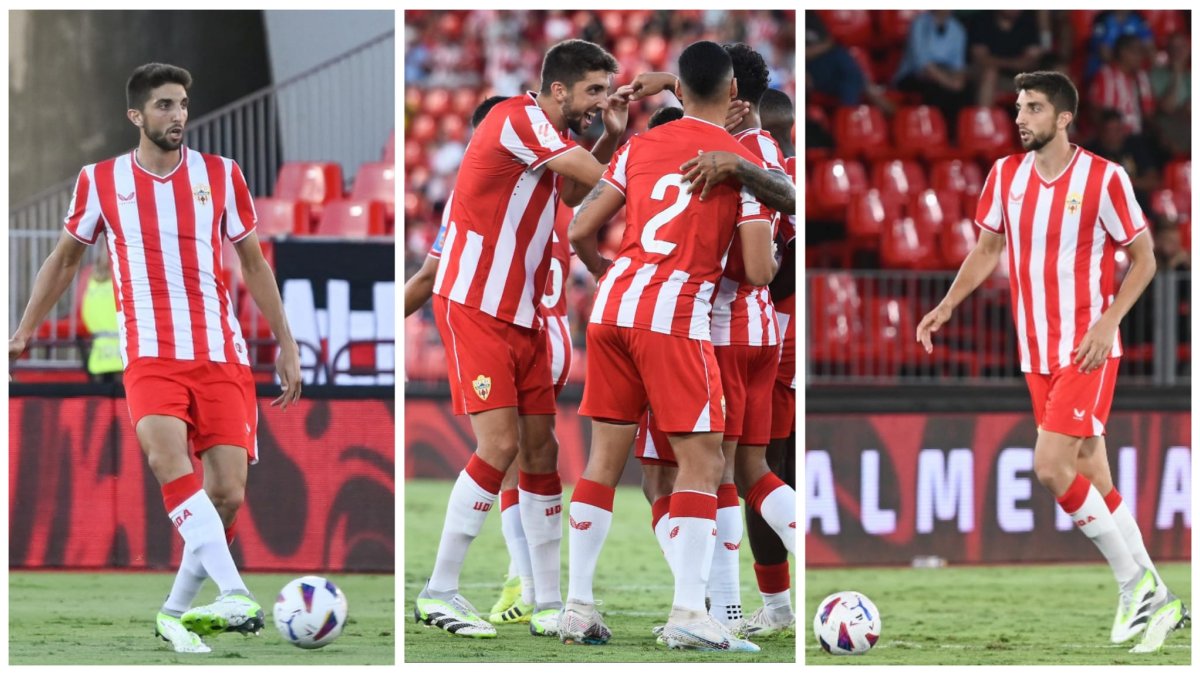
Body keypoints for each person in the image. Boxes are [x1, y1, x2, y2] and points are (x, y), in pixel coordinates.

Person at [8, 63, 302, 654]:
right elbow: (65, 260)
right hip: (148, 354)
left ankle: (173, 611)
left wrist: (287, 344)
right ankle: (235, 591)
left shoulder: (222, 175)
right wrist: (24, 329)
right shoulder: (101, 180)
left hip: (220, 353)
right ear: (136, 116)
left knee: (227, 495)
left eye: (183, 104)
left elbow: (253, 263)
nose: (179, 116)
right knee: (169, 461)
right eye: (165, 106)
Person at [915, 70, 1186, 654]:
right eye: (1018, 107)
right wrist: (946, 306)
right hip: (1034, 352)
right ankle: (1161, 596)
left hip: (1085, 349)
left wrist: (1109, 322)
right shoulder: (1005, 176)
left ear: (1064, 118)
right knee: (1094, 475)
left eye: (1034, 108)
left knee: (1049, 467)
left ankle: (1132, 585)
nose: (1020, 118)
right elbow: (987, 250)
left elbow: (1143, 260)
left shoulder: (1103, 178)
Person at [563, 40, 782, 652]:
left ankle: (577, 606)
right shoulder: (737, 159)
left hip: (613, 310)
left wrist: (610, 273)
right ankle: (689, 611)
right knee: (704, 462)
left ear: (679, 89)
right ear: (734, 92)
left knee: (603, 463)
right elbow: (762, 272)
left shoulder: (639, 144)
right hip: (675, 314)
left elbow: (580, 227)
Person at [413, 38, 635, 640]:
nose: (600, 101)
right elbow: (589, 177)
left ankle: (543, 600)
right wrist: (651, 171)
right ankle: (439, 591)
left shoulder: (546, 139)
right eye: (592, 91)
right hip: (477, 307)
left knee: (542, 454)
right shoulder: (516, 117)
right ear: (557, 89)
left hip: (526, 318)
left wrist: (612, 137)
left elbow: (569, 191)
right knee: (500, 445)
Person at [893, 10, 969, 136]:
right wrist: (950, 83)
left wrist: (958, 82)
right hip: (915, 75)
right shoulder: (920, 23)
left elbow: (958, 66)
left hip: (946, 75)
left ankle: (960, 137)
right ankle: (933, 135)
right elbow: (922, 63)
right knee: (936, 91)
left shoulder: (957, 29)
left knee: (966, 92)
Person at [80, 234, 123, 383]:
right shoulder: (121, 280)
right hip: (121, 357)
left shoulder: (92, 281)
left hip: (98, 356)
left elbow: (86, 314)